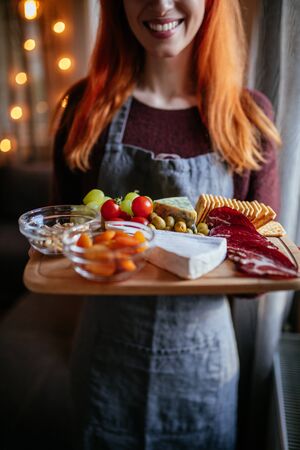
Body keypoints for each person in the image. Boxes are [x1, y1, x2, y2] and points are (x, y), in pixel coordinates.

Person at [51, 1, 282, 449]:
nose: (160, 4)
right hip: (104, 370)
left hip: (205, 376)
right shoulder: (85, 106)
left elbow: (257, 277)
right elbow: (58, 244)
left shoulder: (248, 115)